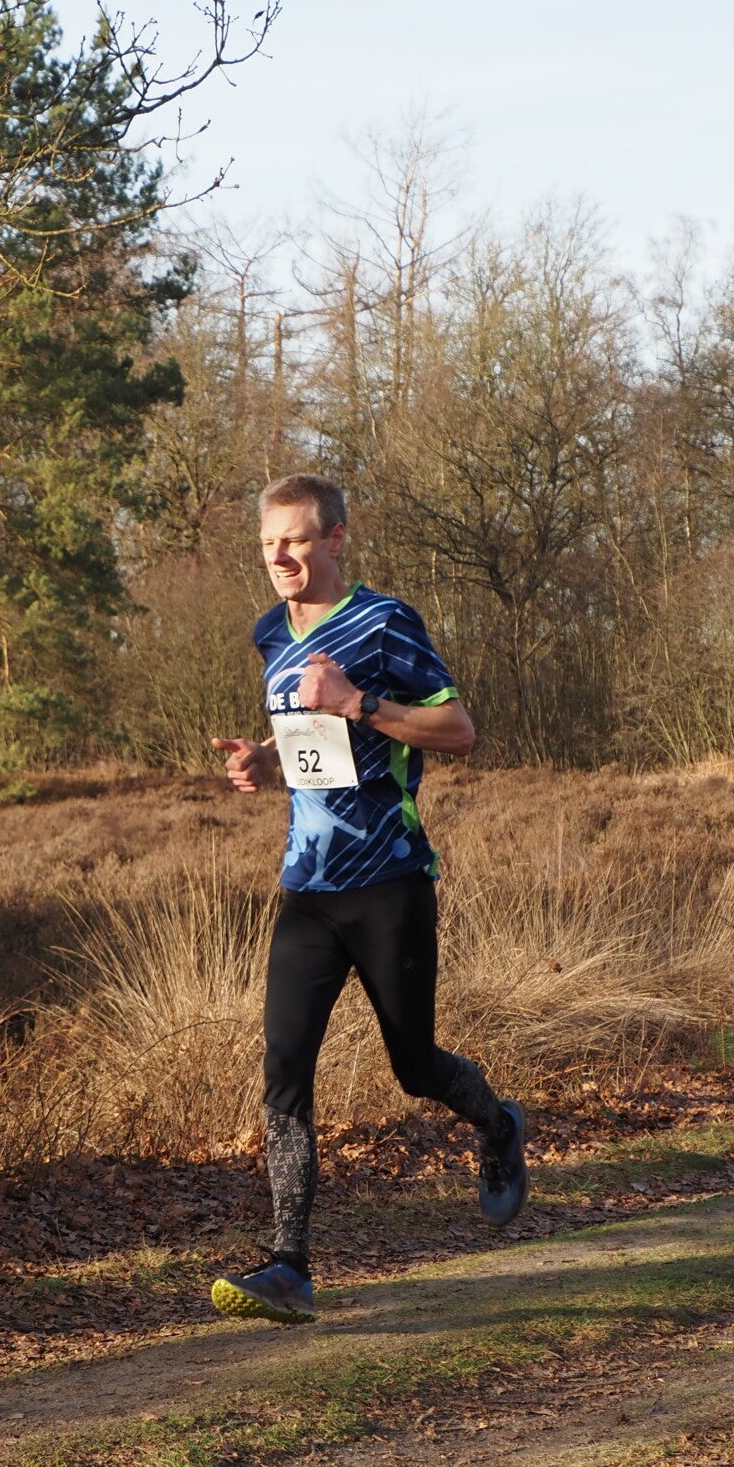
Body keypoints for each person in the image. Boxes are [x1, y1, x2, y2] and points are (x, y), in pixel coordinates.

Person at [210, 472, 528, 1322]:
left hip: (390, 882)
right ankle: (290, 1265)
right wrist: (265, 759)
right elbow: (309, 736)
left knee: (414, 1068)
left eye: (295, 540)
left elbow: (458, 731)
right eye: (268, 542)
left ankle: (498, 1126)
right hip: (308, 888)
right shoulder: (271, 632)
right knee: (285, 1069)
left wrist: (360, 701)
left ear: (336, 539)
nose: (279, 556)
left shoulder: (386, 622)